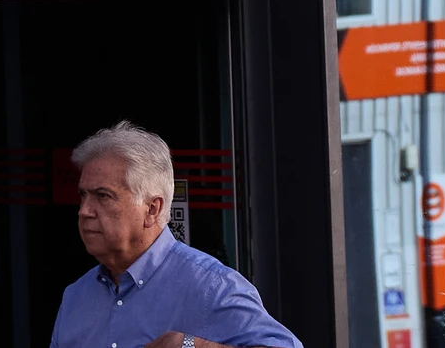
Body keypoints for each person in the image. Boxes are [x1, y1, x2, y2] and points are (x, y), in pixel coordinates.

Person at [50, 122, 302, 348]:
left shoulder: (211, 287)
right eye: (83, 195)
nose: (84, 211)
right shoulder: (75, 297)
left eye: (103, 196)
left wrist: (193, 346)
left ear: (152, 208)